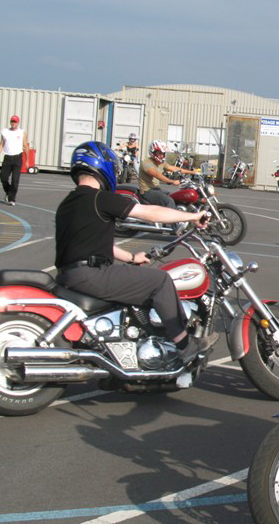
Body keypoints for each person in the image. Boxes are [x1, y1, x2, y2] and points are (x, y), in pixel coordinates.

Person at [55, 141, 215, 363]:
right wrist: (193, 216)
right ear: (104, 165)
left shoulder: (68, 203)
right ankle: (185, 344)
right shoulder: (99, 198)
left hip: (71, 275)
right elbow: (150, 213)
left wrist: (131, 257)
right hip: (91, 275)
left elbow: (94, 244)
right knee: (160, 281)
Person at [138, 140, 196, 208]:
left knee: (176, 196)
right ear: (153, 152)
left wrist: (193, 172)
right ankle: (171, 215)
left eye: (163, 153)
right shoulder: (146, 163)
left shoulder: (161, 163)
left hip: (157, 189)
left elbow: (174, 168)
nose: (161, 155)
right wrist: (172, 181)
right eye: (159, 153)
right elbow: (157, 175)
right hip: (147, 191)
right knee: (169, 201)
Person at [0, 115, 29, 206]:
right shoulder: (5, 131)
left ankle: (11, 199)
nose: (13, 123)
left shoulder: (22, 132)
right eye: (12, 121)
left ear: (18, 123)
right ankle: (9, 192)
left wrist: (27, 160)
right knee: (3, 178)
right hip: (7, 158)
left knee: (15, 180)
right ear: (10, 122)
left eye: (15, 122)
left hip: (17, 158)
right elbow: (2, 143)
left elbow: (26, 146)